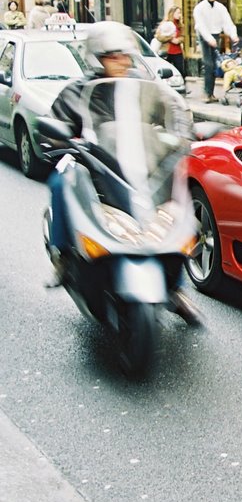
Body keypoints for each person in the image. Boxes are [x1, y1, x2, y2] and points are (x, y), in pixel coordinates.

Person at [46, 21, 201, 324]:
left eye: (125, 56)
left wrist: (184, 133)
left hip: (141, 171)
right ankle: (63, 257)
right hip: (96, 170)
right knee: (59, 181)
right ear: (97, 58)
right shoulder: (78, 91)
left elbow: (172, 111)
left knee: (176, 214)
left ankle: (176, 288)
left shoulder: (143, 86)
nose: (122, 62)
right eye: (114, 56)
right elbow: (56, 122)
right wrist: (59, 139)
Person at [193, 0, 238, 103]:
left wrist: (233, 35)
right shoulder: (199, 8)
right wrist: (208, 39)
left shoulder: (220, 7)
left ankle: (211, 93)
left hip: (216, 35)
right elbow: (201, 26)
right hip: (204, 36)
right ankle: (206, 93)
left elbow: (227, 22)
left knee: (216, 64)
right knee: (208, 64)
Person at [157, 6, 185, 76]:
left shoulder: (180, 25)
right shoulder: (165, 24)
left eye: (180, 13)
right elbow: (159, 36)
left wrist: (178, 40)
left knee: (180, 71)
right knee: (167, 72)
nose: (180, 15)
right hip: (167, 51)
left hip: (178, 51)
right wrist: (170, 38)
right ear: (172, 13)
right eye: (178, 13)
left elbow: (183, 37)